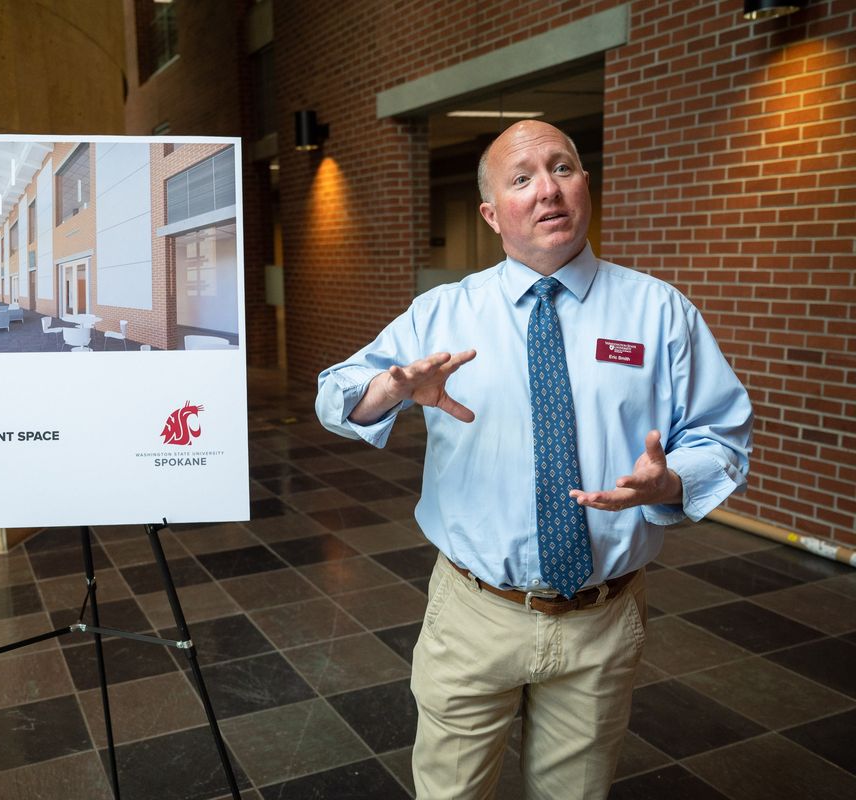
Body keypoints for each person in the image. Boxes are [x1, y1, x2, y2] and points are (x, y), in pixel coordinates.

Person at [315, 120, 752, 799]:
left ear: (585, 184)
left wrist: (672, 482)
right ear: (492, 213)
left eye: (563, 169)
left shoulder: (658, 312)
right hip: (473, 615)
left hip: (601, 623)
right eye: (522, 179)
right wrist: (389, 390)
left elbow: (721, 435)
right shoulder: (443, 314)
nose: (547, 189)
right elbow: (334, 394)